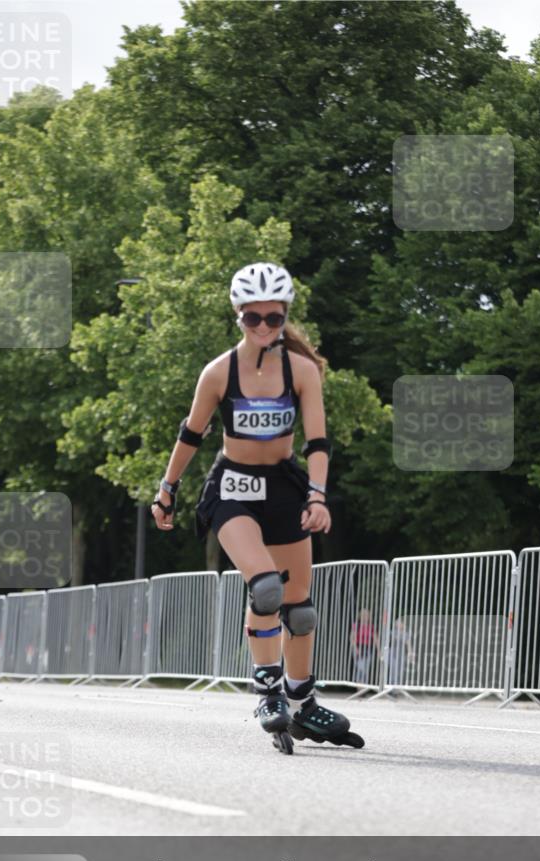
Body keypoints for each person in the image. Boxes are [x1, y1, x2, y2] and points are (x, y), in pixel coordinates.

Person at [150, 262, 364, 753]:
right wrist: (167, 489)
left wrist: (317, 494)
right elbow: (191, 434)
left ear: (285, 315)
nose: (264, 327)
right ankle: (268, 693)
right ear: (238, 316)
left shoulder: (303, 371)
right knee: (266, 588)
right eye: (253, 318)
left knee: (301, 611)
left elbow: (318, 441)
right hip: (234, 488)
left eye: (274, 318)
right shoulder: (220, 371)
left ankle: (304, 703)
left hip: (285, 487)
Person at [350, 607, 381, 685]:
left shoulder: (371, 627)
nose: (365, 617)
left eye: (367, 615)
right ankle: (359, 687)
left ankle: (363, 687)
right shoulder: (356, 625)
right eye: (363, 615)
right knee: (361, 668)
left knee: (366, 669)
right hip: (357, 647)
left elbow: (376, 639)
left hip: (367, 649)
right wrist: (355, 648)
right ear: (360, 616)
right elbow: (352, 638)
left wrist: (379, 650)